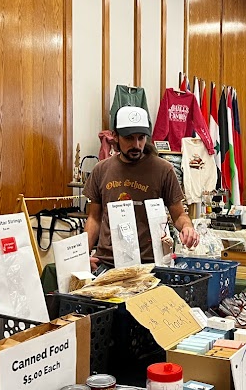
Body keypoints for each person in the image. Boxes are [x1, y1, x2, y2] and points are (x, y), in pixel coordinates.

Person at [84, 106, 198, 268]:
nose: (136, 145)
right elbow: (94, 218)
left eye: (141, 138)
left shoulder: (163, 170)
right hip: (108, 261)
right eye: (129, 138)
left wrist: (187, 227)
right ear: (115, 136)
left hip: (150, 264)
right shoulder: (101, 170)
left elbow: (179, 214)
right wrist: (83, 255)